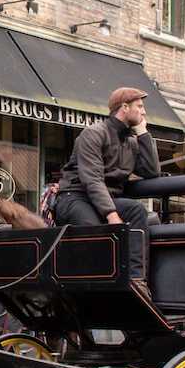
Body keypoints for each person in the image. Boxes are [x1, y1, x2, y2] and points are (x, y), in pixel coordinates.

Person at [54, 86, 159, 290]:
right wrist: (111, 214)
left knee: (137, 210)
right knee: (98, 231)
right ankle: (100, 289)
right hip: (75, 197)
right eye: (140, 106)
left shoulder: (131, 141)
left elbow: (151, 171)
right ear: (124, 107)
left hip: (106, 200)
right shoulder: (93, 134)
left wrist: (143, 133)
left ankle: (136, 281)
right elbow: (92, 179)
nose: (144, 112)